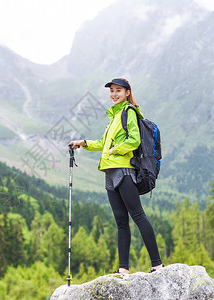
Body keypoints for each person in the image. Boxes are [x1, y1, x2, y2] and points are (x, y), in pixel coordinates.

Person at [69, 78, 163, 274]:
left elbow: (134, 140)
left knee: (138, 215)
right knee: (121, 222)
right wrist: (83, 142)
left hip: (124, 170)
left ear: (127, 93)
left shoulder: (128, 112)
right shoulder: (114, 117)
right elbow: (103, 143)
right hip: (110, 174)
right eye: (111, 91)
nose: (113, 94)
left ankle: (157, 265)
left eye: (118, 90)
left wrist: (115, 150)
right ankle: (123, 269)